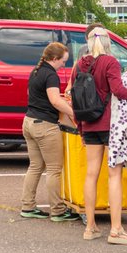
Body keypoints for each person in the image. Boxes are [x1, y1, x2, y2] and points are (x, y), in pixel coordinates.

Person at [76, 25, 127, 244]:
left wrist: (81, 128)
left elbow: (77, 98)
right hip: (111, 125)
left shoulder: (79, 64)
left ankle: (90, 227)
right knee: (114, 176)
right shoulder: (110, 62)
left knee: (91, 175)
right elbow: (118, 90)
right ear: (107, 42)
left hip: (89, 124)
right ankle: (116, 229)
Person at [20, 42, 80, 223]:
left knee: (35, 166)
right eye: (63, 61)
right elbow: (54, 101)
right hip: (45, 125)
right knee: (54, 169)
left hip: (29, 122)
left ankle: (27, 206)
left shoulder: (36, 71)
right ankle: (58, 210)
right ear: (54, 59)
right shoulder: (51, 75)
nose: (64, 65)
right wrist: (74, 114)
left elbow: (35, 95)